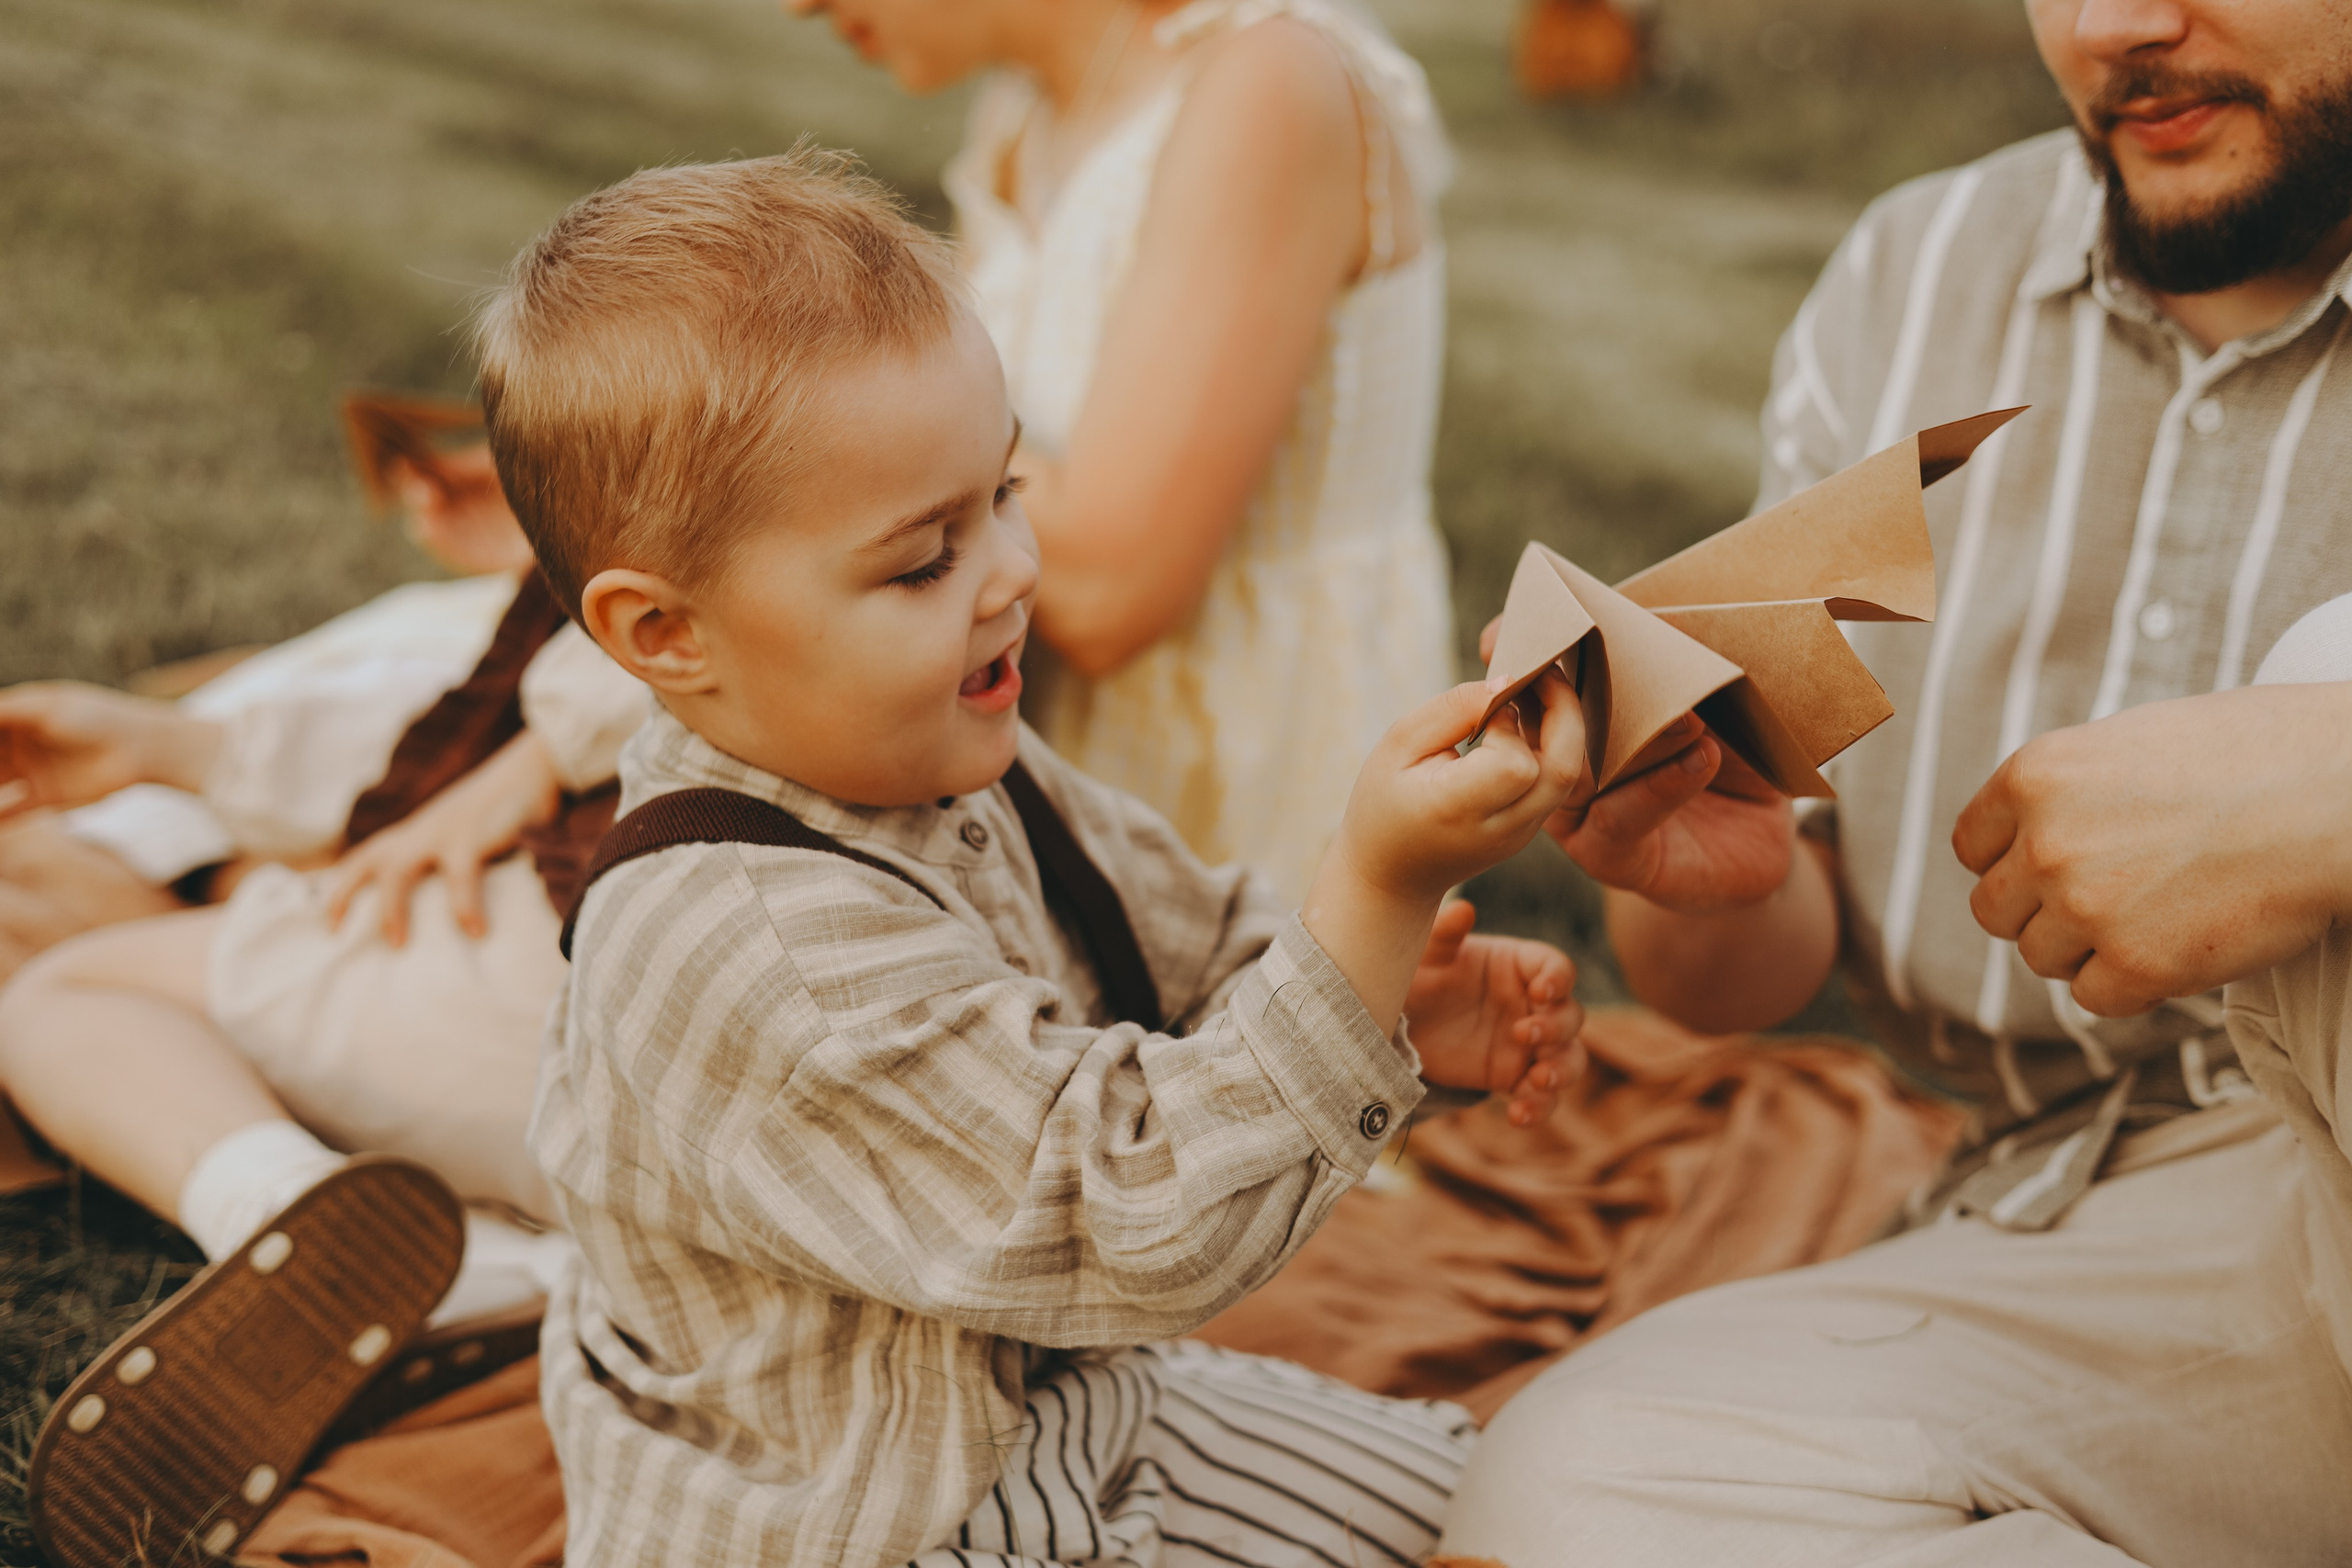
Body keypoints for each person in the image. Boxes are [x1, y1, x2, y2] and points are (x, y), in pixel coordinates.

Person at [459, 152, 1585, 1568]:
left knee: (1536, 1508)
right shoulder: (755, 950)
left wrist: (1391, 1003)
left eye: (1002, 493)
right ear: (666, 636)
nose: (1010, 570)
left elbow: (1183, 945)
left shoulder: (936, 750)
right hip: (872, 1513)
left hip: (1051, 1398)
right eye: (922, 560)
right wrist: (1375, 888)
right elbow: (1138, 1221)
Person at [1436, 0, 2352, 1560]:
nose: (2113, 26)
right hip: (2089, 1229)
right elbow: (1757, 960)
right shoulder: (1916, 276)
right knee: (1577, 1490)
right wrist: (1692, 863)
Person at [796, 0, 1458, 900]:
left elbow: (1113, 589)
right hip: (1042, 730)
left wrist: (802, 462)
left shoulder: (1270, 86)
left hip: (1239, 768)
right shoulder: (1026, 108)